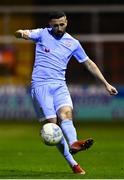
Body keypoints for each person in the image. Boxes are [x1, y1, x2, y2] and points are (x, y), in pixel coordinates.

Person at [14, 11, 118, 175]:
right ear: (50, 24)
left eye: (62, 24)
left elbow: (89, 63)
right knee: (53, 126)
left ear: (67, 22)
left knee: (66, 114)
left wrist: (105, 83)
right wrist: (21, 33)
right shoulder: (42, 34)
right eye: (55, 25)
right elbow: (25, 33)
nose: (59, 28)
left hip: (59, 85)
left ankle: (74, 143)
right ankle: (73, 163)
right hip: (41, 86)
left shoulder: (73, 43)